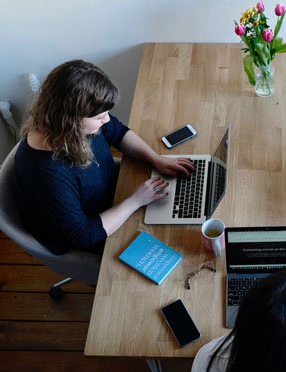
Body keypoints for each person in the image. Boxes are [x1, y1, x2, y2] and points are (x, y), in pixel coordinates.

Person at [15, 59, 195, 255]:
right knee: (175, 241)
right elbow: (83, 235)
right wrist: (135, 201)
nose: (106, 120)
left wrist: (155, 158)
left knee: (180, 217)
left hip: (115, 195)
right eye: (99, 117)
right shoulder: (46, 174)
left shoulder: (72, 127)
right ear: (70, 120)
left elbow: (117, 132)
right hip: (93, 230)